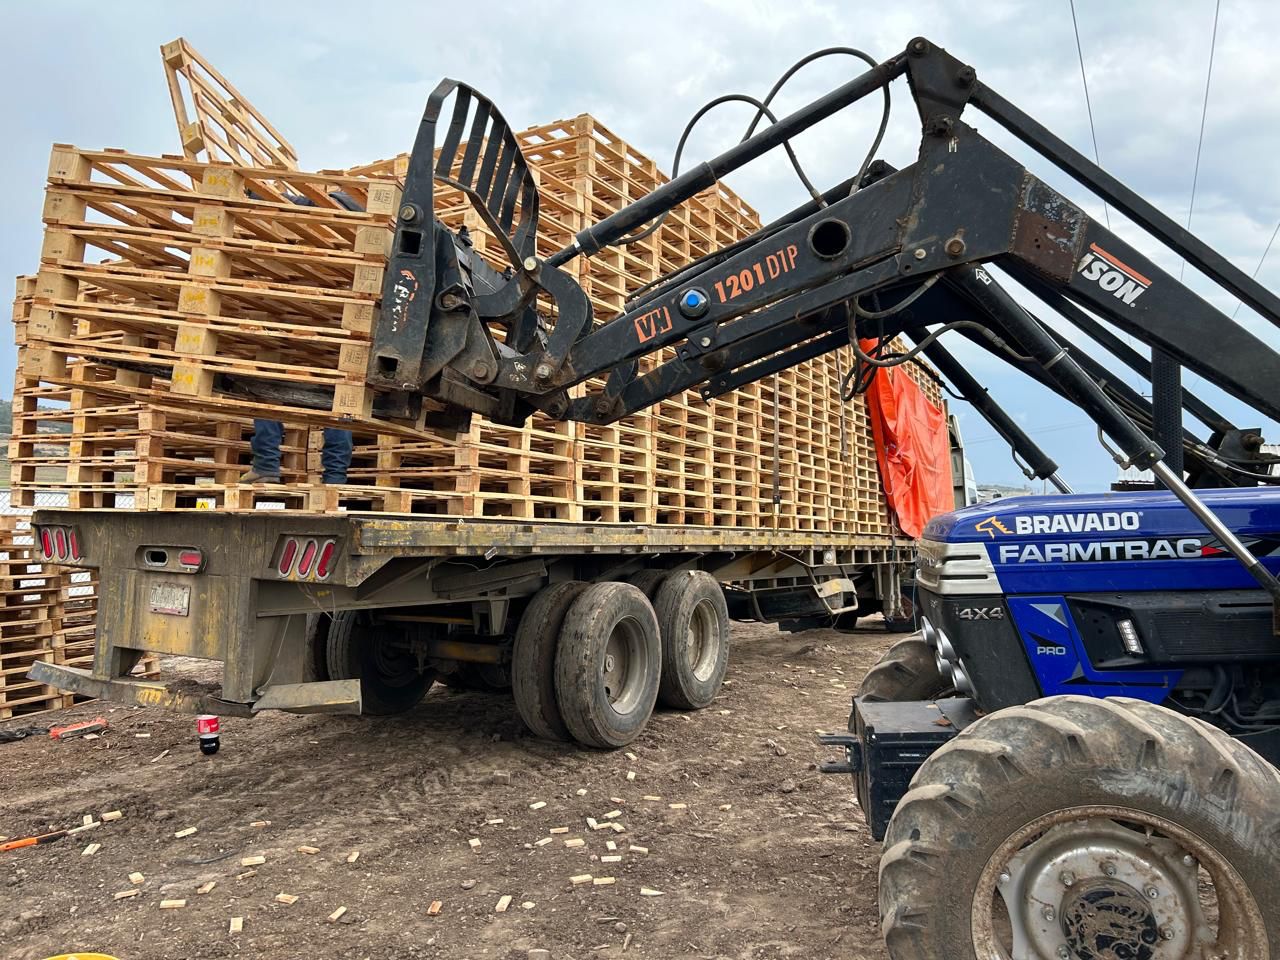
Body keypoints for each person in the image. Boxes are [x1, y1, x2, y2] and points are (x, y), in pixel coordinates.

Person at [242, 420, 352, 485]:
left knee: (264, 397)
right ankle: (335, 478)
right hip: (329, 390)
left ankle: (265, 466)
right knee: (343, 404)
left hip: (281, 387)